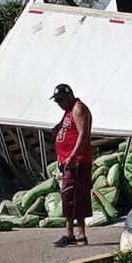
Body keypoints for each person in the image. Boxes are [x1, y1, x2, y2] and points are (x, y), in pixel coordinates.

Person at [51, 83, 93, 247]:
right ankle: (75, 233)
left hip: (77, 161)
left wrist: (74, 156)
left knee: (72, 196)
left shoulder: (78, 108)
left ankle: (74, 233)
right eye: (57, 101)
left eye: (61, 100)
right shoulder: (67, 111)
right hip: (67, 161)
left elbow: (84, 134)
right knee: (71, 196)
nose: (59, 103)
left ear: (69, 96)